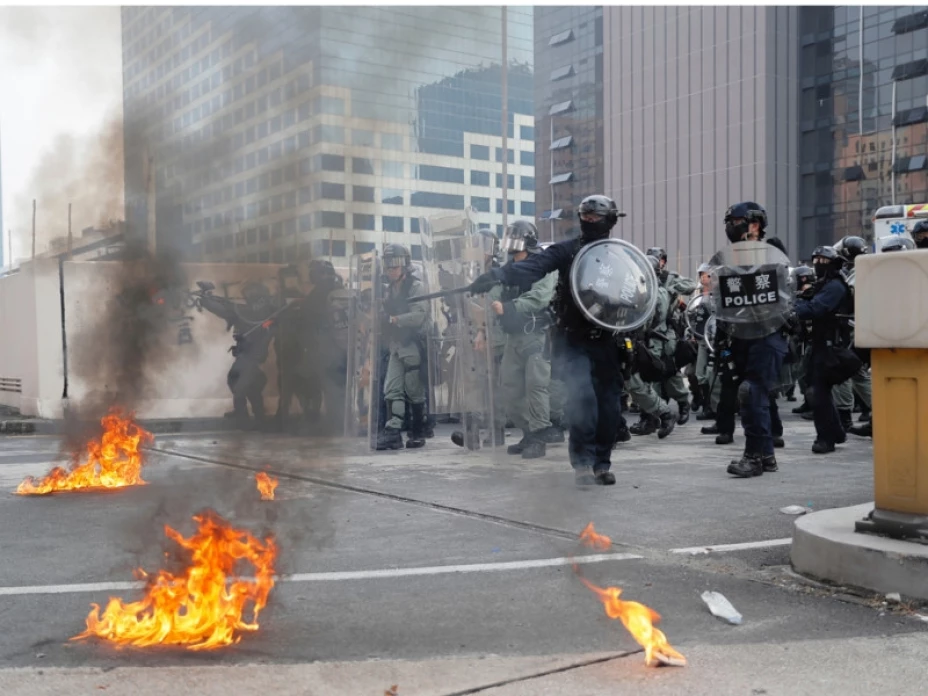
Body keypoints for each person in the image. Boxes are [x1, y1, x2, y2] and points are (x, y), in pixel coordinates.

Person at [468, 195, 632, 486]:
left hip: (607, 339)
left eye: (597, 217)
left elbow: (634, 294)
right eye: (587, 216)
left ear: (610, 220)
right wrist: (496, 275)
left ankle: (602, 464)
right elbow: (533, 267)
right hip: (575, 338)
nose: (590, 221)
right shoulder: (566, 251)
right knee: (584, 401)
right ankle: (582, 463)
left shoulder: (620, 258)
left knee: (609, 406)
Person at [715, 202, 789, 478]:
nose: (729, 227)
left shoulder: (771, 255)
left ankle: (754, 457)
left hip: (767, 332)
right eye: (728, 222)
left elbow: (781, 295)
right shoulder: (729, 258)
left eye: (735, 221)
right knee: (751, 394)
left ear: (754, 224)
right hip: (740, 334)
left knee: (752, 392)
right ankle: (767, 456)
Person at [490, 220, 559, 459]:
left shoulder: (544, 267)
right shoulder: (508, 269)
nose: (511, 245)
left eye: (516, 240)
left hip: (535, 335)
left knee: (536, 387)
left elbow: (540, 297)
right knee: (510, 389)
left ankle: (539, 437)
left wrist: (509, 307)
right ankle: (528, 432)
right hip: (513, 336)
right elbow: (494, 293)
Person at [794, 246, 853, 454]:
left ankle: (826, 438)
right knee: (819, 391)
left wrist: (793, 308)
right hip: (820, 345)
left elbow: (816, 309)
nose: (818, 264)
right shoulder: (823, 285)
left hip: (832, 348)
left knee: (817, 392)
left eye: (823, 260)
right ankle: (836, 432)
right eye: (815, 259)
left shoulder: (835, 286)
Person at [199, 280, 279, 428]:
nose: (248, 298)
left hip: (251, 357)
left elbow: (226, 311)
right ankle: (258, 416)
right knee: (248, 385)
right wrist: (210, 300)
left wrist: (207, 300)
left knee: (239, 385)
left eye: (251, 295)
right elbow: (228, 309)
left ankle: (243, 417)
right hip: (247, 355)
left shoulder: (257, 314)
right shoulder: (258, 313)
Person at [376, 244, 429, 450]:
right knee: (391, 388)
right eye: (388, 265)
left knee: (414, 390)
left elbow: (418, 316)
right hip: (396, 345)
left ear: (405, 266)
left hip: (412, 344)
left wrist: (393, 319)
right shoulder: (389, 290)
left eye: (395, 265)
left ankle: (417, 431)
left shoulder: (415, 287)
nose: (391, 269)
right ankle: (393, 431)